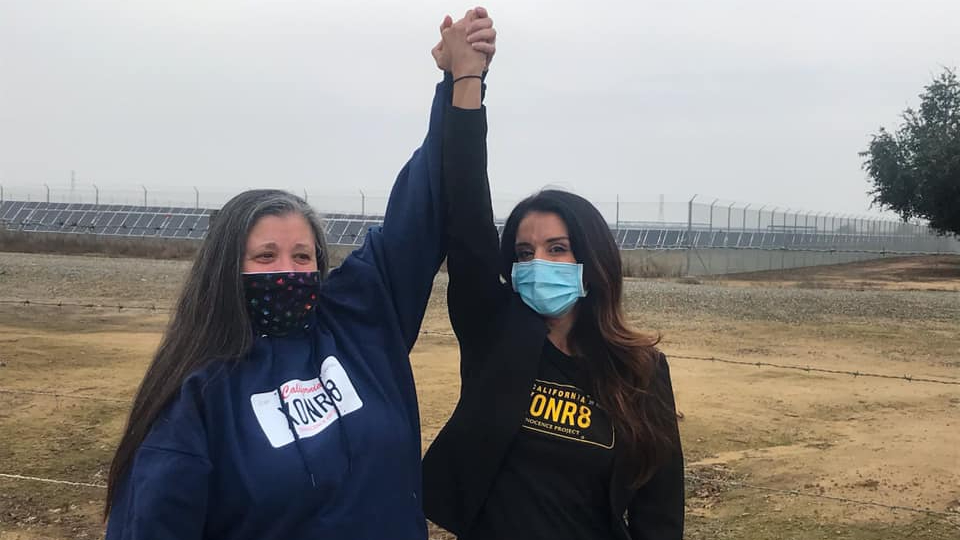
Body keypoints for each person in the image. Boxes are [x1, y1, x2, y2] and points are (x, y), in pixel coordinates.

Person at [103, 9, 496, 540]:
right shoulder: (196, 398)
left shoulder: (359, 323)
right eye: (265, 257)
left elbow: (424, 200)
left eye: (303, 256)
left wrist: (458, 80)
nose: (288, 270)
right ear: (226, 268)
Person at [423, 87, 685, 540]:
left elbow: (659, 506)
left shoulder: (639, 369)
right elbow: (466, 207)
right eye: (524, 253)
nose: (537, 263)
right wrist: (467, 81)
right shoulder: (494, 334)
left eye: (557, 249)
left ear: (591, 260)